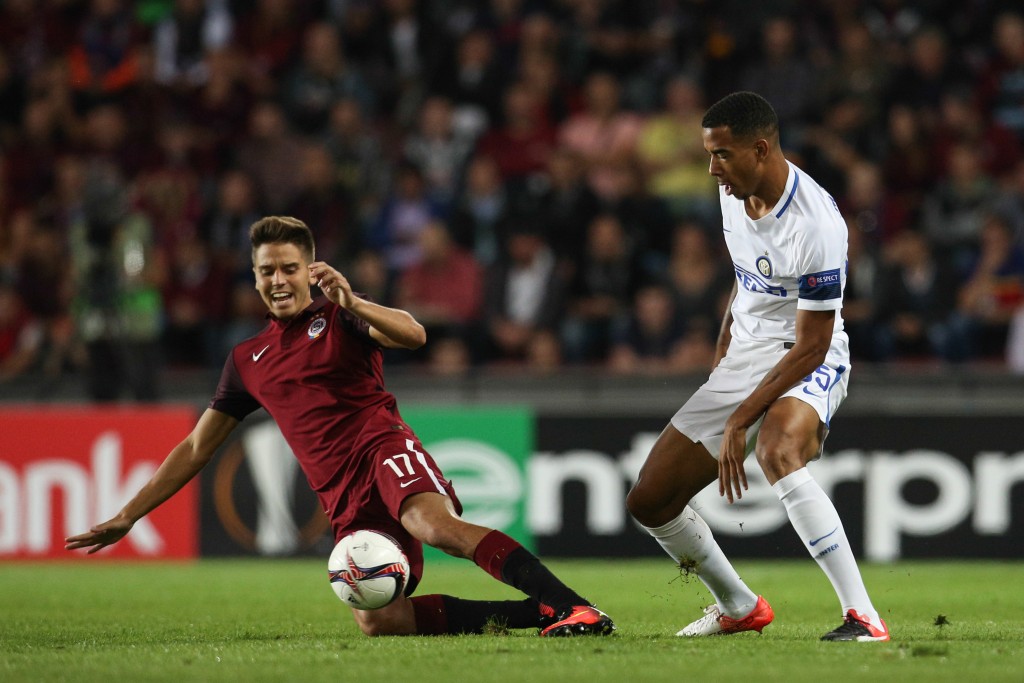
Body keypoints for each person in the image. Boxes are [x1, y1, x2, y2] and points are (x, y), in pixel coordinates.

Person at [66, 216, 613, 639]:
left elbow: (415, 335)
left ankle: (570, 604)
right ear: (254, 277)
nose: (278, 280)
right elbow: (195, 447)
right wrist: (128, 515)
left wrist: (354, 301)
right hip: (341, 496)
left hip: (383, 448)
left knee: (431, 524)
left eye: (287, 268)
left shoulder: (341, 316)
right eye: (266, 271)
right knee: (380, 621)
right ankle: (537, 612)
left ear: (309, 270)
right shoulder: (247, 359)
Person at [625, 92, 889, 642]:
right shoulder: (733, 194)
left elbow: (813, 344)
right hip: (745, 357)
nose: (712, 168)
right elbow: (745, 279)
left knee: (777, 450)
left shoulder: (816, 224)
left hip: (806, 352)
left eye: (721, 154)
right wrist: (724, 352)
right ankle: (738, 605)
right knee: (649, 501)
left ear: (761, 149)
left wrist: (743, 415)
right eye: (709, 154)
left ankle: (863, 616)